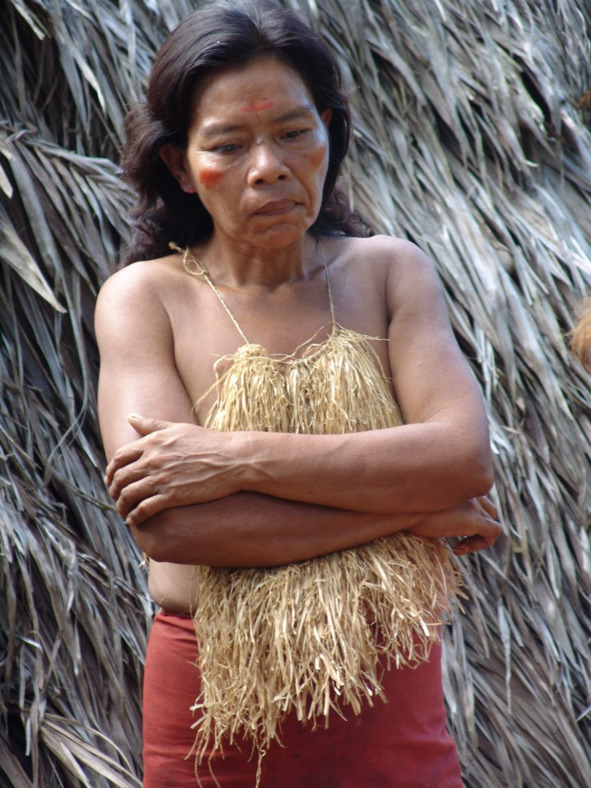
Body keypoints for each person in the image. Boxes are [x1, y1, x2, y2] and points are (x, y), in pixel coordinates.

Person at [95, 1, 501, 785]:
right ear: (180, 164)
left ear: (328, 132)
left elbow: (460, 460)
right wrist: (410, 512)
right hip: (212, 717)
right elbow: (177, 526)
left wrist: (234, 458)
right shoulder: (146, 300)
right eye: (228, 145)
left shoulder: (389, 272)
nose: (267, 167)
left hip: (388, 701)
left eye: (292, 133)